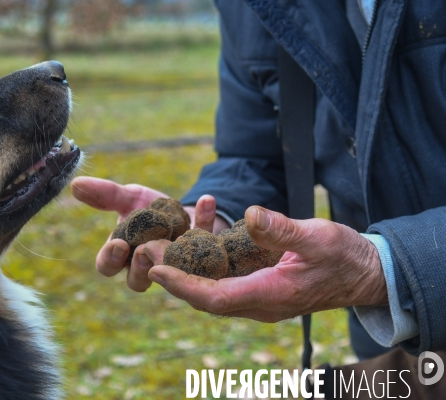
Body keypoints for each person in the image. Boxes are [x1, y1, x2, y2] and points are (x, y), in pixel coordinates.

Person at [71, 0, 446, 360]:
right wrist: (210, 213)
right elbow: (256, 152)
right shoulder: (247, 5)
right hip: (386, 332)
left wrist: (385, 266)